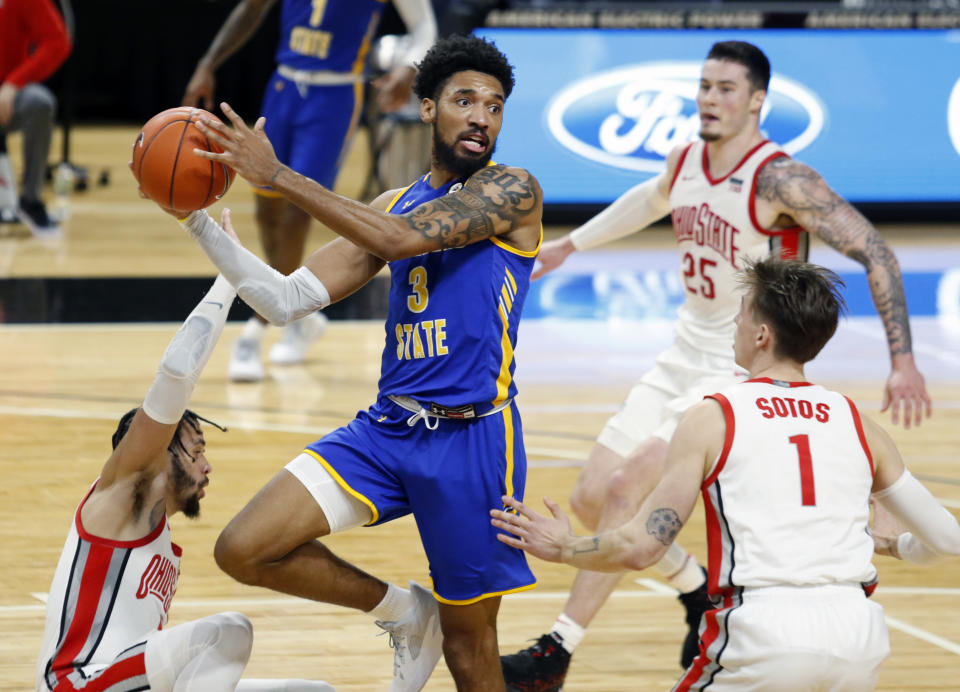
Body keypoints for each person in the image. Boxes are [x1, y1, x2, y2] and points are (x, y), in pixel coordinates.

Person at [498, 39, 934, 691]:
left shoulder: (780, 178)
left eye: (725, 89)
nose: (708, 99)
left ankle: (556, 652)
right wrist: (569, 244)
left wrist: (903, 361)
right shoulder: (685, 162)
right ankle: (697, 589)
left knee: (625, 494)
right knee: (594, 498)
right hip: (683, 348)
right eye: (703, 86)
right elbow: (648, 201)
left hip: (743, 362)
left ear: (757, 101)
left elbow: (877, 252)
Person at [178, 35, 542, 691]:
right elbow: (285, 301)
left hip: (472, 441)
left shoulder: (511, 191)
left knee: (470, 650)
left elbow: (401, 241)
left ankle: (435, 624)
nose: (481, 116)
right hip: (386, 430)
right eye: (465, 100)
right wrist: (197, 221)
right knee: (244, 547)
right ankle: (404, 613)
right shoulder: (390, 204)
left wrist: (280, 176)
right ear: (428, 108)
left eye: (494, 105)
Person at [492, 256, 960, 691]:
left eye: (741, 312)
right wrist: (893, 545)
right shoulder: (860, 424)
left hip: (764, 634)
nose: (734, 322)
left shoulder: (713, 416)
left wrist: (563, 546)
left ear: (760, 335)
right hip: (860, 639)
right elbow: (948, 540)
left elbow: (640, 546)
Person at [35, 211, 336, 692]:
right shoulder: (117, 499)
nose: (207, 464)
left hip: (132, 681)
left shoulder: (155, 527)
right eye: (196, 450)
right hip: (76, 683)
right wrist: (228, 278)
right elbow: (176, 374)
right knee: (229, 631)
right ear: (157, 452)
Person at [183, 0, 437, 382]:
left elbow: (424, 27)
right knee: (267, 213)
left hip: (334, 97)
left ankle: (260, 324)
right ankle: (298, 316)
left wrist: (408, 67)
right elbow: (251, 10)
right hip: (283, 87)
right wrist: (207, 62)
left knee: (297, 208)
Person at [0, 0, 71, 234]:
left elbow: (58, 41)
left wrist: (14, 82)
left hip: (8, 100)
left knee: (39, 102)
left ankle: (30, 200)